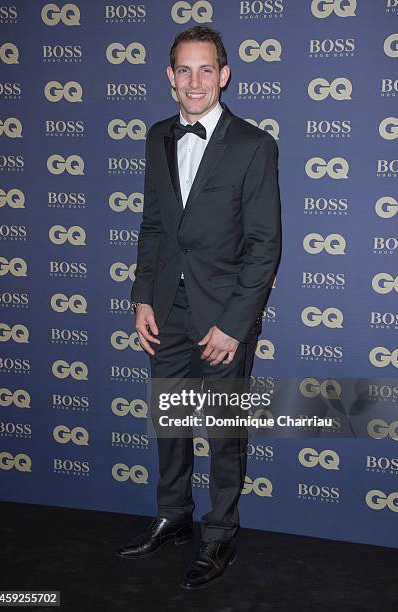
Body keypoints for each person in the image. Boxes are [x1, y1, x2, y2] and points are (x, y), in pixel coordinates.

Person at [116, 25, 282, 590]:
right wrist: (142, 296)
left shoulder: (254, 145)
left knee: (223, 432)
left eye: (206, 69)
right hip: (167, 311)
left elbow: (265, 245)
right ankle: (174, 515)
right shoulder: (158, 136)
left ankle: (220, 534)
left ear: (224, 74)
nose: (195, 81)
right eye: (184, 70)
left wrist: (234, 327)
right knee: (170, 423)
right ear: (170, 77)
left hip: (223, 314)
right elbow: (153, 226)